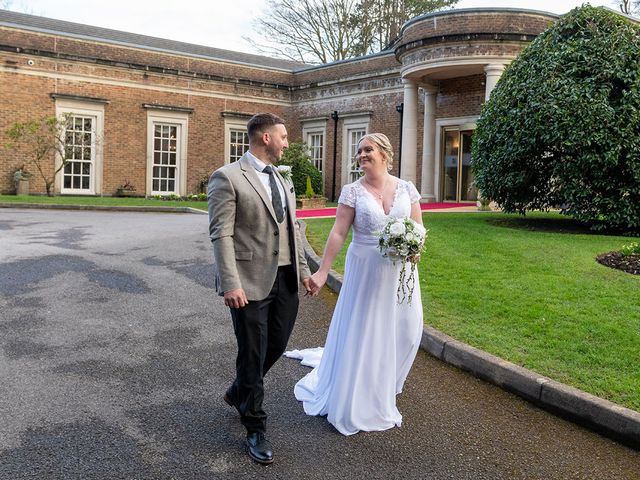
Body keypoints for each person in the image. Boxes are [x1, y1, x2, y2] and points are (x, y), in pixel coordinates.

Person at [291, 133, 424, 436]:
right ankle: (361, 390)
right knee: (367, 327)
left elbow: (418, 226)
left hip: (401, 271)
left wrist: (414, 247)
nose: (362, 155)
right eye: (359, 151)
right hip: (366, 268)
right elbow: (338, 233)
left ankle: (386, 381)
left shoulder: (407, 189)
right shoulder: (353, 191)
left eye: (368, 150)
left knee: (408, 327)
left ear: (385, 154)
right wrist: (323, 272)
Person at [208, 112, 312, 464]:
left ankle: (240, 390)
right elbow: (220, 233)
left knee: (277, 345)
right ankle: (254, 426)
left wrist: (303, 271)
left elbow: (293, 229)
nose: (287, 142)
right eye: (283, 136)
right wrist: (230, 283)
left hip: (284, 279)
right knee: (252, 352)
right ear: (265, 137)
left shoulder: (282, 178)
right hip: (249, 282)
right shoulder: (227, 177)